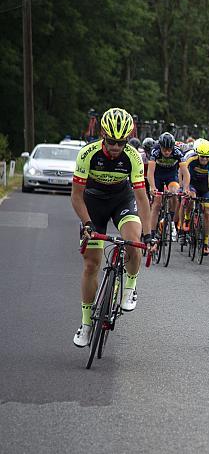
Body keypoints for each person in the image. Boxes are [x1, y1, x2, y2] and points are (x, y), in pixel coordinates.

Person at [71, 107, 153, 347]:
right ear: (102, 136)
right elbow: (76, 196)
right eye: (111, 142)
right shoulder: (87, 154)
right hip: (93, 204)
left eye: (121, 142)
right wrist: (86, 223)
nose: (116, 147)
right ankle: (86, 323)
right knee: (91, 264)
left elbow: (141, 198)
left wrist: (149, 234)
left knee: (132, 240)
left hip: (122, 201)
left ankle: (130, 285)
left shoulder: (133, 156)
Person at [148, 132, 185, 242]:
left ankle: (171, 220)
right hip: (157, 176)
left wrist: (186, 187)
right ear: (160, 146)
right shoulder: (155, 151)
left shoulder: (178, 152)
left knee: (174, 193)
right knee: (157, 204)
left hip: (171, 176)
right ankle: (152, 233)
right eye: (165, 149)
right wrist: (152, 187)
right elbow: (150, 172)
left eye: (169, 149)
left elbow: (185, 172)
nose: (167, 152)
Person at [180, 140, 209, 256]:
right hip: (193, 184)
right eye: (202, 157)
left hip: (206, 188)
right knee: (191, 196)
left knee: (207, 211)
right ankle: (187, 218)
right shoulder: (191, 159)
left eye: (207, 157)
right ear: (197, 154)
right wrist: (185, 188)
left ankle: (205, 242)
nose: (204, 160)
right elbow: (183, 173)